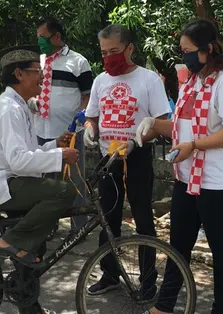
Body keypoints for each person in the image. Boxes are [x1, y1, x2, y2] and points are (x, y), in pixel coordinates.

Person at [135, 19, 223, 314]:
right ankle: (164, 306)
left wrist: (194, 146)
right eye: (181, 51)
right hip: (187, 178)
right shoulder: (191, 83)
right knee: (178, 245)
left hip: (219, 182)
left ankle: (220, 309)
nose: (183, 56)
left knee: (220, 247)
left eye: (188, 51)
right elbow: (180, 124)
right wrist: (153, 124)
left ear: (207, 50)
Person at [0, 45, 79, 314]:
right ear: (20, 74)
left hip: (14, 179)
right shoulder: (8, 109)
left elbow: (27, 153)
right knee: (63, 192)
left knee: (37, 242)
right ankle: (10, 241)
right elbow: (19, 162)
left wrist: (53, 146)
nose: (42, 78)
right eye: (38, 73)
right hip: (4, 183)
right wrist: (59, 154)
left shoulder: (19, 106)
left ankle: (29, 305)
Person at [83, 25, 171, 298]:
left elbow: (163, 123)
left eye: (115, 51)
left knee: (143, 218)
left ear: (130, 48)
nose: (109, 57)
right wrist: (90, 128)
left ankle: (147, 282)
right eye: (104, 52)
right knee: (108, 218)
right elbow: (92, 116)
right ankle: (109, 273)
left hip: (137, 157)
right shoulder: (100, 81)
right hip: (108, 158)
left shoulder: (148, 80)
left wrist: (139, 138)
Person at [33, 17, 94, 232]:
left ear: (56, 37)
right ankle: (49, 226)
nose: (40, 41)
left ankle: (79, 227)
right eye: (38, 37)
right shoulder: (37, 62)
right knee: (47, 181)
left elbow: (88, 95)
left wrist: (81, 117)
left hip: (70, 132)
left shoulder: (78, 62)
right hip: (42, 130)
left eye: (43, 37)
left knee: (74, 179)